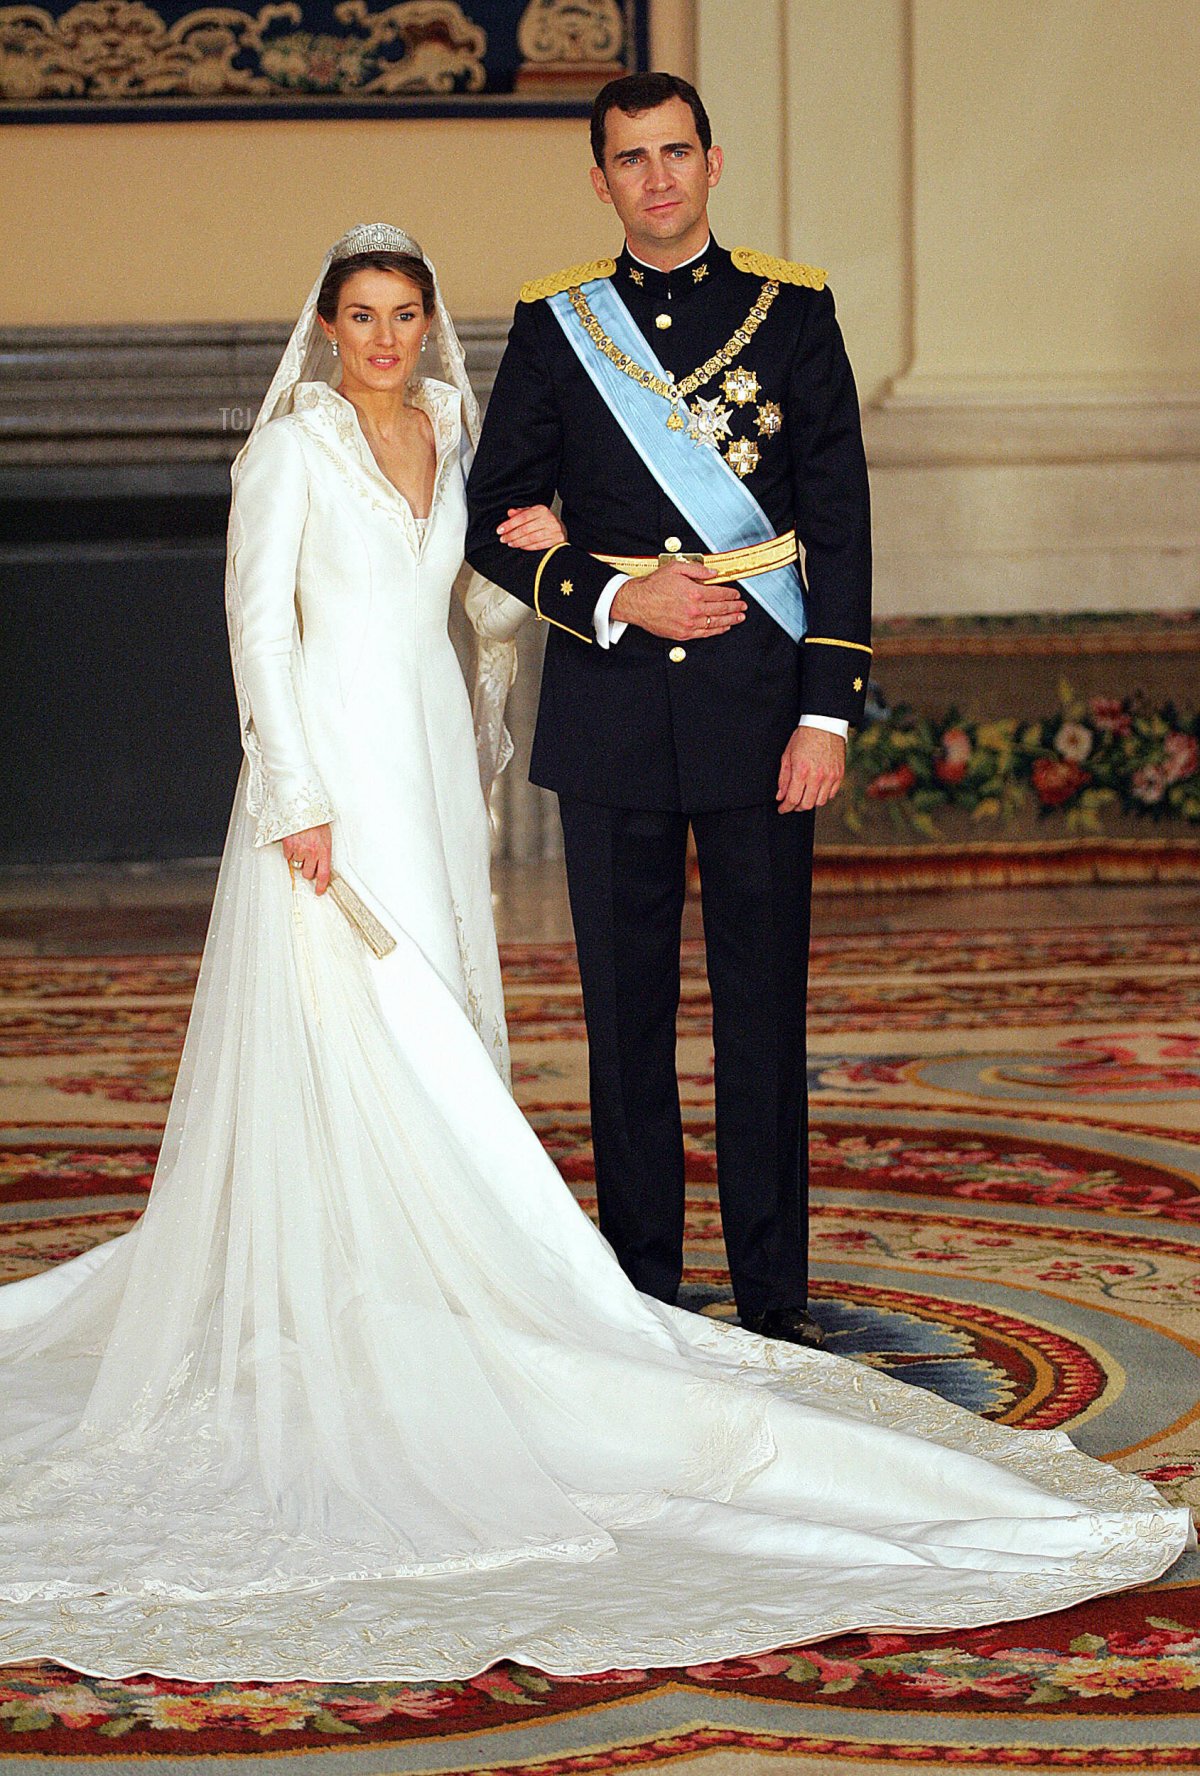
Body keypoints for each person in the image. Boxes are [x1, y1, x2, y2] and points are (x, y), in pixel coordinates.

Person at [0, 225, 1189, 1688]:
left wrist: (575, 574)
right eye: (358, 316)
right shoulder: (292, 453)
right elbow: (258, 629)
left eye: (403, 314)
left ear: (429, 326)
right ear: (321, 330)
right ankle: (358, 1266)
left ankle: (458, 1266)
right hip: (336, 778)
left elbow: (488, 588)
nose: (381, 336)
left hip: (434, 760)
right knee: (362, 1023)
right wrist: (297, 798)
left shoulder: (448, 422)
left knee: (443, 997)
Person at [466, 72, 871, 1349]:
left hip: (763, 707)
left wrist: (829, 716)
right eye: (631, 159)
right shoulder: (556, 322)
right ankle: (643, 1290)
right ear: (601, 180)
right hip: (614, 709)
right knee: (623, 1015)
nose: (657, 177)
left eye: (677, 153)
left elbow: (842, 517)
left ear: (712, 162)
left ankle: (773, 1300)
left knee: (763, 1011)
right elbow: (489, 522)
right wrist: (613, 595)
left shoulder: (791, 311)